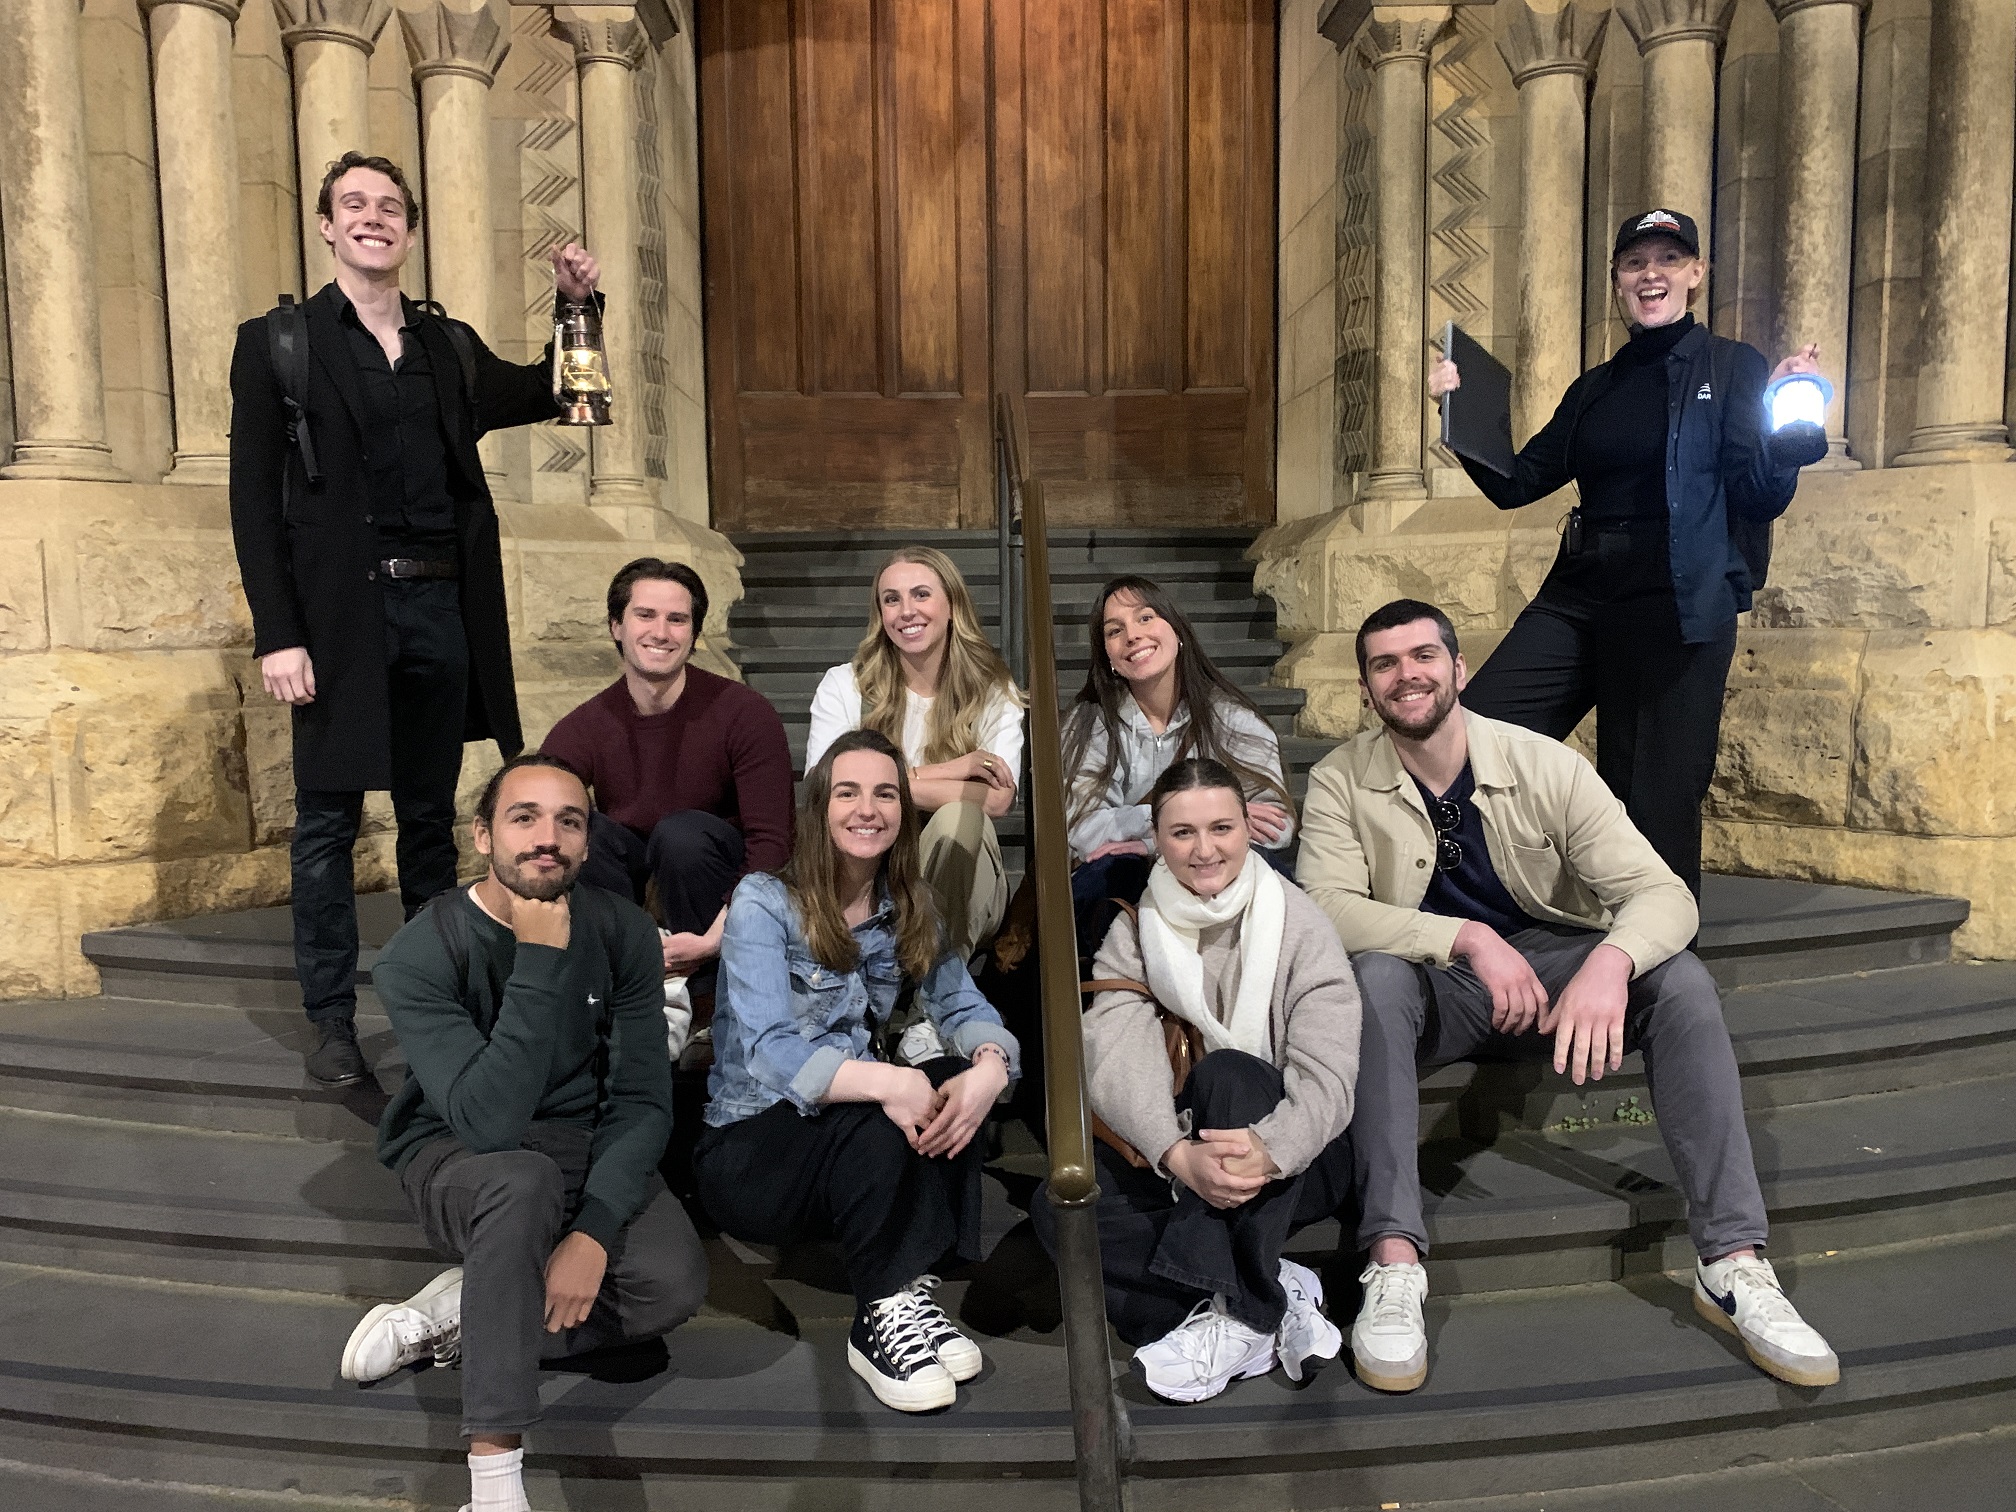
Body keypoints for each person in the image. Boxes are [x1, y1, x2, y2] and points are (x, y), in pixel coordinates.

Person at [1298, 599, 1839, 1395]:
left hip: (1556, 972)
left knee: (1680, 981)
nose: (1406, 675)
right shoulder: (1339, 779)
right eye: (1385, 664)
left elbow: (1664, 894)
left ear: (1459, 670)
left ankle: (1732, 1262)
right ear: (1366, 687)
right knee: (1373, 978)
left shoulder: (1545, 764)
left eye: (1423, 656)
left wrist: (1610, 962)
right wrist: (1467, 938)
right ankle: (1393, 1261)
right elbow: (1327, 907)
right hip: (1440, 986)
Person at [229, 149, 604, 1087]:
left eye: (390, 206)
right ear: (327, 226)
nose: (373, 217)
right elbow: (252, 502)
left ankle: (438, 1008)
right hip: (339, 620)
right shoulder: (279, 343)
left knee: (431, 820)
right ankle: (331, 1021)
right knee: (326, 824)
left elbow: (556, 393)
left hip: (440, 606)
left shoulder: (447, 345)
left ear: (408, 228)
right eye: (354, 204)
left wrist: (574, 307)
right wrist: (279, 633)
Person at [342, 752, 708, 1512]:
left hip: (580, 1146)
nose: (548, 837)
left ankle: (465, 1312)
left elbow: (641, 1101)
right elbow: (487, 1121)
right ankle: (495, 1487)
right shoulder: (420, 954)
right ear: (483, 836)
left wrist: (595, 1233)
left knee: (669, 1287)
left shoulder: (622, 931)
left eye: (569, 821)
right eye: (524, 818)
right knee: (521, 1178)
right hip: (459, 1154)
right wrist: (538, 958)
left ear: (587, 839)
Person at [1429, 208, 1831, 898]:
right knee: (1474, 732)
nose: (1652, 274)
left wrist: (1786, 432)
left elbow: (1758, 497)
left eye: (1668, 260)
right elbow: (1517, 484)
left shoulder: (1733, 366)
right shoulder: (1595, 387)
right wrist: (1456, 415)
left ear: (1696, 274)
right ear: (1617, 279)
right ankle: (1486, 899)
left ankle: (1661, 957)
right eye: (1635, 262)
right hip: (1581, 596)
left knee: (1653, 803)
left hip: (1676, 605)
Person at [693, 730, 1020, 1413]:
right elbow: (769, 1050)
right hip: (751, 1148)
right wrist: (889, 1081)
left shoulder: (909, 905)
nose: (867, 809)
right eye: (848, 793)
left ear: (904, 810)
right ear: (820, 807)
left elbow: (963, 1004)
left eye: (885, 794)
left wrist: (991, 1067)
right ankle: (879, 1312)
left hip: (839, 1146)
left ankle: (911, 1283)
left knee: (953, 1076)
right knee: (882, 1102)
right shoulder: (763, 901)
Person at [1034, 758, 1361, 1403]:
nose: (1204, 850)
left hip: (1298, 1160)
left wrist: (1270, 1149)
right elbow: (1114, 1050)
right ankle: (1270, 1292)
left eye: (1221, 828)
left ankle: (1243, 1311)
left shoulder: (1301, 925)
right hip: (1188, 1155)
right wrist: (1175, 1154)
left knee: (1230, 1073)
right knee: (1058, 1215)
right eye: (1182, 832)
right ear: (1156, 838)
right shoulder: (1135, 927)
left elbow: (1329, 1077)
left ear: (1248, 830)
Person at [541, 557, 793, 1006]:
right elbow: (533, 808)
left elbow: (773, 841)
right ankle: (614, 986)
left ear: (693, 634)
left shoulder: (744, 713)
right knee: (578, 831)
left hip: (715, 882)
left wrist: (718, 936)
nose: (661, 632)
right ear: (616, 626)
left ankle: (712, 1004)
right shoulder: (586, 726)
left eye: (677, 619)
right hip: (631, 875)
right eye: (645, 615)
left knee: (681, 836)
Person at [804, 546, 1024, 965]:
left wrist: (878, 785)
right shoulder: (846, 685)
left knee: (961, 818)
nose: (906, 611)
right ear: (880, 614)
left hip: (966, 875)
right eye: (892, 599)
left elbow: (996, 799)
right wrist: (954, 770)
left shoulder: (993, 690)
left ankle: (935, 987)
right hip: (869, 864)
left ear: (952, 606)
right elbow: (822, 783)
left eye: (921, 594)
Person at [1061, 574, 1295, 950]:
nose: (1133, 635)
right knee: (1106, 875)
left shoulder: (1231, 718)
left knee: (1271, 877)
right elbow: (1082, 830)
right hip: (1128, 886)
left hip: (1216, 876)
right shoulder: (1089, 724)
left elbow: (1275, 826)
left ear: (1177, 630)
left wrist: (1158, 842)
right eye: (1115, 630)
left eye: (1145, 617)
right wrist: (1197, 823)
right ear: (1108, 656)